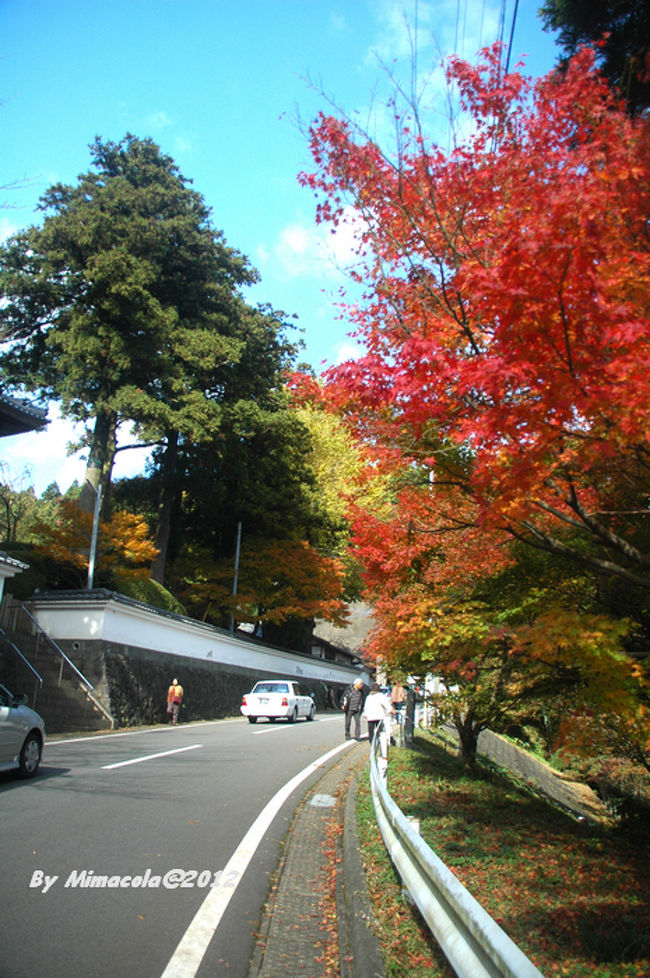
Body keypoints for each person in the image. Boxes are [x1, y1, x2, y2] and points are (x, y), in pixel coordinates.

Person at [363, 682, 394, 749]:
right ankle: (381, 745)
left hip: (370, 717)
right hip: (379, 716)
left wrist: (365, 714)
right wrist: (391, 710)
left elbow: (366, 707)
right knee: (380, 732)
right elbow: (387, 705)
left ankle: (372, 745)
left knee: (371, 732)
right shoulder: (381, 696)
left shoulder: (369, 697)